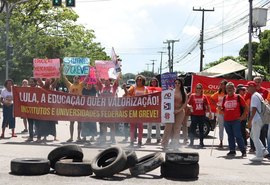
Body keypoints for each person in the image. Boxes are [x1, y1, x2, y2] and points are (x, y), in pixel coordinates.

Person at [220, 82, 247, 157]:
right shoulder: (225, 98)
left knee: (238, 135)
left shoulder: (238, 96)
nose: (229, 89)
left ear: (234, 89)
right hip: (227, 120)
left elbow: (245, 107)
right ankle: (232, 150)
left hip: (236, 120)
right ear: (226, 89)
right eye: (228, 88)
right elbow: (223, 109)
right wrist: (220, 109)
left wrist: (242, 117)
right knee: (230, 136)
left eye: (231, 88)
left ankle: (243, 150)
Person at [161, 78, 187, 150]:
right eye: (176, 83)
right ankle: (164, 144)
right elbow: (165, 100)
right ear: (174, 84)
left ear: (181, 84)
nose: (177, 84)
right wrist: (168, 91)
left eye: (179, 83)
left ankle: (175, 145)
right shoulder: (171, 91)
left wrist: (178, 110)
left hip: (180, 112)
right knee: (168, 127)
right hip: (170, 112)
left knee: (177, 128)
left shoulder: (183, 92)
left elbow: (185, 104)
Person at [247, 81, 269, 161]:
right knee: (253, 135)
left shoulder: (254, 96)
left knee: (255, 137)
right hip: (260, 118)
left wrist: (250, 121)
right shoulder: (258, 95)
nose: (247, 88)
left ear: (252, 87)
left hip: (257, 119)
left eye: (248, 87)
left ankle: (259, 155)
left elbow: (254, 109)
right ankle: (264, 151)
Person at [124, 74, 148, 147]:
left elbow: (148, 98)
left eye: (140, 80)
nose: (138, 81)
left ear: (143, 81)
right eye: (137, 79)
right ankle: (131, 141)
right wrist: (125, 88)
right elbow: (127, 93)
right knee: (132, 126)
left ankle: (140, 141)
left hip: (141, 110)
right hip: (133, 109)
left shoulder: (145, 89)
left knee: (140, 126)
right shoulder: (133, 87)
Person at [62, 73, 85, 142]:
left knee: (79, 122)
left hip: (79, 107)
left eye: (78, 78)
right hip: (72, 107)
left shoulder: (81, 85)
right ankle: (71, 137)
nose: (77, 79)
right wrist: (62, 70)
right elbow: (64, 78)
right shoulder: (70, 85)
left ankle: (78, 137)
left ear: (79, 80)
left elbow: (86, 78)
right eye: (75, 78)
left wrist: (89, 70)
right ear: (73, 79)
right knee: (71, 122)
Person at [97, 76, 120, 145]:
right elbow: (97, 80)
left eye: (108, 80)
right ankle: (104, 138)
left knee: (112, 124)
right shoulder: (102, 87)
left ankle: (112, 138)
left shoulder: (113, 87)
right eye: (105, 80)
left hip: (111, 109)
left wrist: (118, 71)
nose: (106, 81)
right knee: (104, 124)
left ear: (110, 81)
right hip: (103, 108)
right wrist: (95, 71)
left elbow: (117, 80)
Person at [188, 83, 212, 147]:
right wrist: (190, 107)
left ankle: (201, 142)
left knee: (201, 129)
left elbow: (208, 105)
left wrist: (210, 112)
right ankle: (191, 142)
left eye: (200, 88)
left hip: (202, 115)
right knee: (192, 129)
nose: (198, 89)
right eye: (197, 88)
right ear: (195, 89)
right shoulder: (192, 96)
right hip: (194, 115)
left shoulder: (204, 96)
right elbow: (188, 104)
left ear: (201, 89)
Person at [36, 78, 58, 142]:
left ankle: (55, 136)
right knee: (44, 123)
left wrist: (58, 73)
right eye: (46, 79)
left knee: (52, 123)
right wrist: (36, 72)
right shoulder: (43, 86)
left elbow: (56, 80)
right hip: (44, 108)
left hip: (51, 108)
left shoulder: (52, 86)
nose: (48, 80)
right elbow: (39, 80)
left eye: (49, 79)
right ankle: (44, 137)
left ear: (51, 80)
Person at [210, 79, 227, 148]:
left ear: (226, 85)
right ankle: (221, 141)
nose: (221, 85)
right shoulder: (218, 93)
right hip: (220, 112)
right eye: (220, 84)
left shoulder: (228, 93)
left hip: (228, 112)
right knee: (221, 127)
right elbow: (211, 98)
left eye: (222, 84)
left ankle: (231, 142)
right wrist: (217, 105)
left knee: (229, 128)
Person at [145, 77, 162, 144]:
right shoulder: (148, 89)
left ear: (157, 82)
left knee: (158, 125)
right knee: (149, 125)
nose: (153, 83)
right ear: (151, 83)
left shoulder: (160, 89)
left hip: (158, 108)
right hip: (150, 108)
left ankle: (158, 138)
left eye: (155, 81)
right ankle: (148, 138)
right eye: (152, 81)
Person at [25, 77, 38, 142]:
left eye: (32, 82)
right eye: (30, 82)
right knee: (30, 123)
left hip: (37, 110)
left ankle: (39, 137)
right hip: (29, 109)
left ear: (35, 82)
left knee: (38, 124)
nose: (31, 83)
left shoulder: (39, 89)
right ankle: (31, 136)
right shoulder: (27, 89)